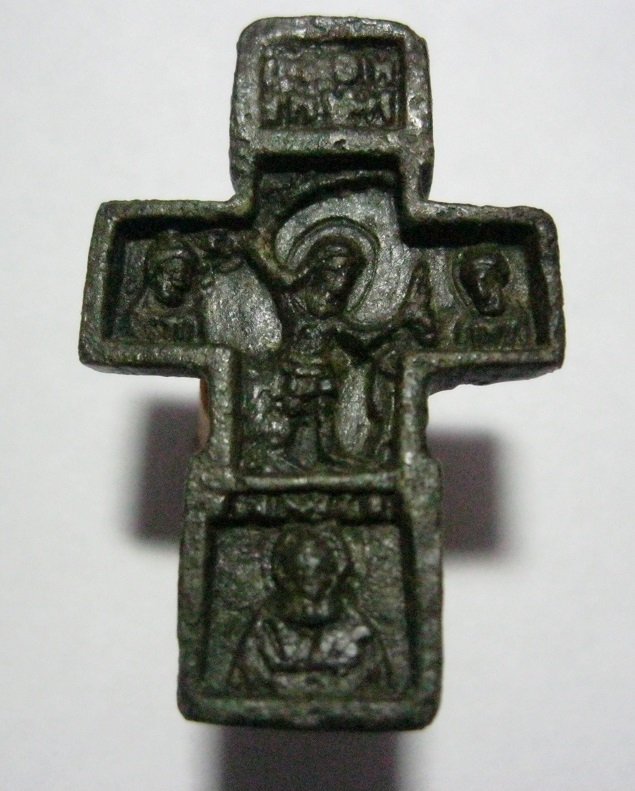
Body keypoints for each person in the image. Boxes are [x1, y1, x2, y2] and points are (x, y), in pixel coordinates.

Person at [229, 526, 390, 696]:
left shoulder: (357, 631)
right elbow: (246, 685)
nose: (312, 584)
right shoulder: (265, 632)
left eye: (320, 572)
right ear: (284, 576)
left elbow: (376, 685)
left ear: (334, 574)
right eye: (302, 573)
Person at [128, 230, 202, 343]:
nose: (179, 282)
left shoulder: (191, 321)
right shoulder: (137, 317)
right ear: (153, 275)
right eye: (173, 272)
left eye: (185, 274)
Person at [453, 248, 532, 350]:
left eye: (486, 283)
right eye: (473, 288)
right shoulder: (466, 325)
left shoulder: (519, 317)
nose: (482, 294)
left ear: (500, 280)